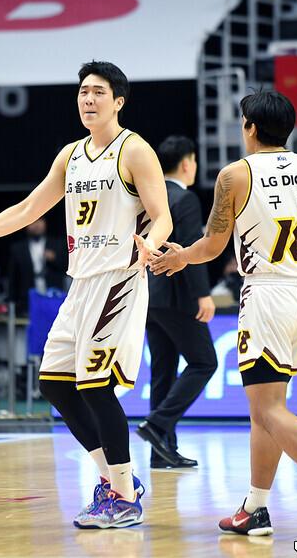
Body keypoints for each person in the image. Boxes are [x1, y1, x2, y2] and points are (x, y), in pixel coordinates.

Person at [0, 61, 173, 529]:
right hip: (80, 282)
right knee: (53, 382)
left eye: (98, 92)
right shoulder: (70, 155)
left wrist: (152, 243)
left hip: (119, 279)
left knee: (95, 385)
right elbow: (28, 208)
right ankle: (114, 479)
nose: (88, 99)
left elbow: (162, 213)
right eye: (83, 91)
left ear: (118, 101)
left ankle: (125, 497)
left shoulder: (134, 150)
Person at [151, 88, 297, 538]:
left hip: (266, 294)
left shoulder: (235, 175)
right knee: (266, 409)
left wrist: (179, 258)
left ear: (250, 128)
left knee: (268, 409)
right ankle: (255, 508)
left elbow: (212, 245)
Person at [135, 135, 217, 469]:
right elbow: (189, 250)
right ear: (186, 163)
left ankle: (161, 451)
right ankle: (157, 425)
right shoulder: (186, 199)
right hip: (175, 296)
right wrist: (203, 294)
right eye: (194, 161)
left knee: (163, 371)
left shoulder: (149, 197)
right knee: (204, 362)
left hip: (147, 296)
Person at [8, 217, 68, 313]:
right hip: (27, 297)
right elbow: (13, 277)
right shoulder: (18, 248)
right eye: (32, 221)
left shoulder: (57, 244)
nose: (36, 225)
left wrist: (54, 258)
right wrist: (12, 302)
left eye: (39, 221)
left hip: (53, 295)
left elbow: (68, 268)